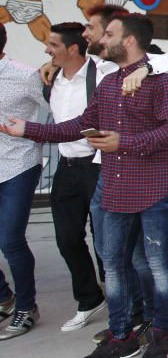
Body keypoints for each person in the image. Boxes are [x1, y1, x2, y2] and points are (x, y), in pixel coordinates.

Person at [3, 14, 168, 358]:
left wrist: (124, 143)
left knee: (160, 267)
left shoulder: (164, 82)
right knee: (113, 264)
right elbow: (81, 126)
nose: (101, 40)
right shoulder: (109, 84)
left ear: (129, 41)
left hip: (157, 190)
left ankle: (163, 334)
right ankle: (121, 336)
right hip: (116, 189)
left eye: (110, 34)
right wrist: (28, 129)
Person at [42, 22, 107, 332]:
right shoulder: (50, 78)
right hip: (66, 168)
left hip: (98, 166)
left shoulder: (101, 74)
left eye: (52, 45)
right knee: (67, 239)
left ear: (72, 49)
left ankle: (124, 300)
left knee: (107, 242)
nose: (46, 50)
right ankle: (89, 299)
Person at [0, 23, 46, 341]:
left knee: (10, 239)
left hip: (18, 163)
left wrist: (30, 134)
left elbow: (49, 113)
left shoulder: (24, 74)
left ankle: (27, 307)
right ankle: (4, 296)